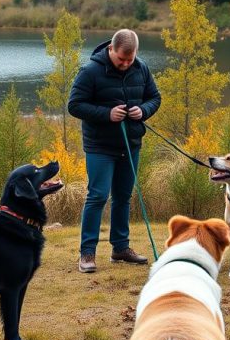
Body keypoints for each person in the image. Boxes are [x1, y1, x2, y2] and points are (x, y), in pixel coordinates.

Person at [68, 29, 161, 273]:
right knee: (97, 196)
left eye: (130, 60)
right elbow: (74, 105)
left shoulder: (141, 68)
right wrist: (107, 114)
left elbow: (154, 98)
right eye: (122, 59)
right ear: (111, 49)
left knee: (123, 196)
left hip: (130, 144)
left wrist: (143, 111)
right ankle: (87, 253)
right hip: (100, 146)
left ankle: (120, 248)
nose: (126, 64)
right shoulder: (90, 71)